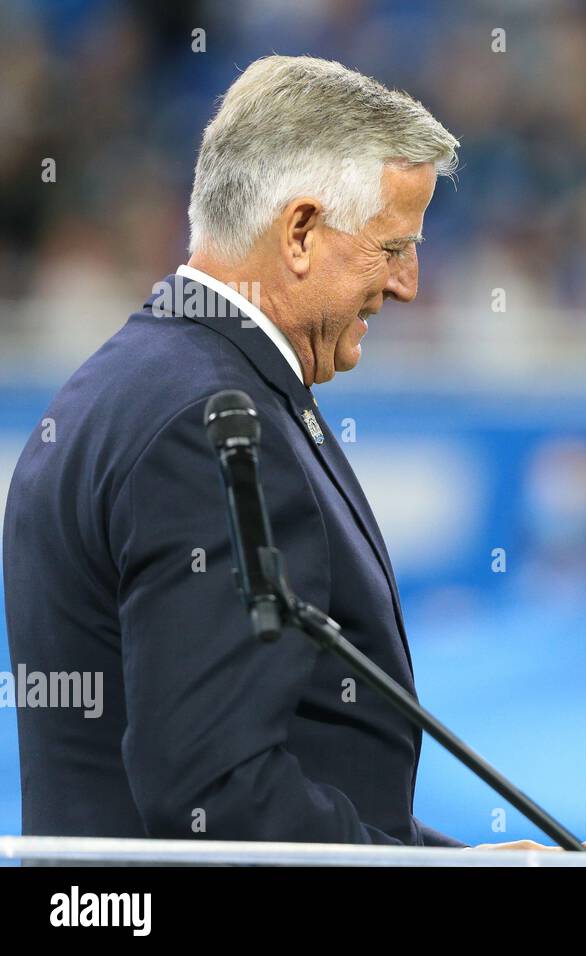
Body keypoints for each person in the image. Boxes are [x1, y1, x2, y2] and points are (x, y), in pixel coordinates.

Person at [3, 55, 526, 848]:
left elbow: (295, 767)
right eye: (392, 248)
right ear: (302, 232)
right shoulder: (210, 425)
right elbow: (217, 796)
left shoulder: (130, 382)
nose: (408, 284)